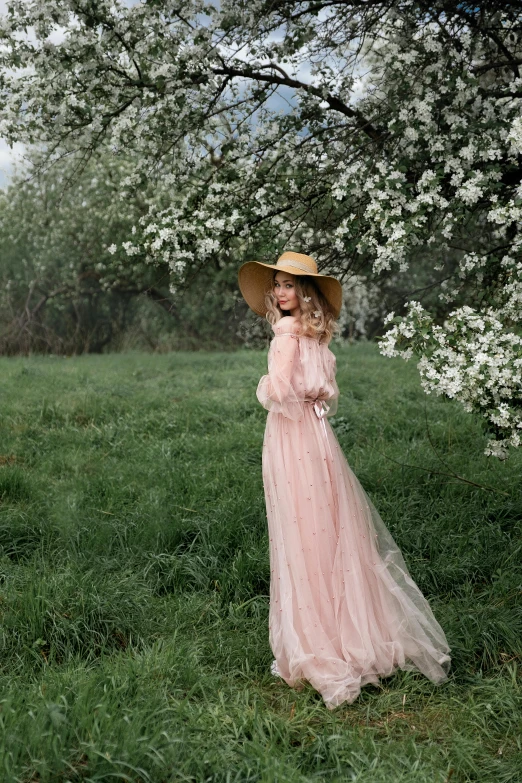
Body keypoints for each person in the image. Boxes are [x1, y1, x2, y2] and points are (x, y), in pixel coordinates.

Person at [238, 250, 451, 709]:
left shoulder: (286, 333)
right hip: (318, 436)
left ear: (305, 292)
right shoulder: (318, 335)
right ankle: (352, 630)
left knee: (301, 530)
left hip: (291, 437)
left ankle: (316, 639)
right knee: (330, 526)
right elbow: (327, 393)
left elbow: (276, 389)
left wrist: (266, 382)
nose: (280, 292)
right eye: (277, 284)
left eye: (289, 285)